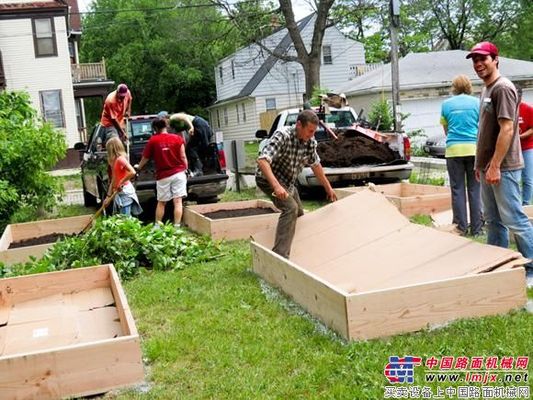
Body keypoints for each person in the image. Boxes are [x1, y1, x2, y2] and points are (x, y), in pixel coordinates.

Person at [467, 41, 533, 279]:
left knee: (514, 219)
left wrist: (494, 165)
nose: (478, 63)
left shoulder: (502, 88)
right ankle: (498, 268)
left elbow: (507, 129)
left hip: (503, 167)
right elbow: (485, 131)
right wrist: (480, 165)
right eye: (474, 59)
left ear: (496, 59)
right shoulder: (486, 89)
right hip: (488, 167)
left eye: (483, 58)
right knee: (493, 221)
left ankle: (532, 270)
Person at [255, 109, 337, 259]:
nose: (311, 135)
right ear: (299, 124)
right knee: (290, 209)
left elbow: (316, 165)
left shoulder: (310, 143)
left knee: (299, 213)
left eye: (314, 132)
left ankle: (298, 247)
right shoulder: (283, 135)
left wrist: (328, 188)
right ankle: (279, 257)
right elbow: (262, 161)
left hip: (287, 183)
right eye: (310, 131)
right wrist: (276, 187)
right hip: (267, 179)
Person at [440, 74, 483, 236]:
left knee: (457, 189)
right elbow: (482, 127)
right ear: (469, 86)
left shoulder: (446, 104)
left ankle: (460, 227)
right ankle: (477, 228)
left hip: (453, 151)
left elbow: (446, 130)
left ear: (454, 87)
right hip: (473, 150)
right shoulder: (477, 103)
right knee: (475, 189)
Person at [136, 117, 188, 227]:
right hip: (179, 173)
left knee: (161, 202)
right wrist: (185, 168)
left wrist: (138, 168)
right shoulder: (177, 138)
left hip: (163, 176)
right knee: (178, 201)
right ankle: (177, 226)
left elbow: (145, 158)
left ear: (155, 128)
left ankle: (158, 226)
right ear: (167, 126)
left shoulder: (153, 140)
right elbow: (183, 156)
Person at [104, 137, 142, 216]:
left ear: (112, 149)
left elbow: (132, 172)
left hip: (125, 191)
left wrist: (121, 182)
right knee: (123, 216)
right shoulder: (113, 162)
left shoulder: (120, 159)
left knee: (125, 218)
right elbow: (113, 179)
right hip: (119, 192)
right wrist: (108, 197)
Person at [516, 85, 533, 205]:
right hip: (512, 149)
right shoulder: (506, 108)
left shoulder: (528, 109)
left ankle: (526, 203)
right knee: (514, 179)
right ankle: (515, 204)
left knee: (527, 178)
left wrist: (520, 137)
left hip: (527, 147)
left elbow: (532, 129)